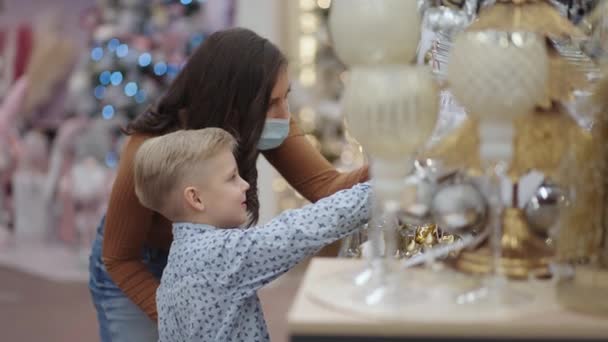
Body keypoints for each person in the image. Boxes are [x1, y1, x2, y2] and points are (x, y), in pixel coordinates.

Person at [88, 27, 369, 341]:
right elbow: (119, 257)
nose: (285, 114)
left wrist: (392, 165)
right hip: (136, 264)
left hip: (205, 261)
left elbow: (328, 188)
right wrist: (181, 316)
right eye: (273, 102)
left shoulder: (266, 118)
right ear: (231, 103)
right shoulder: (150, 147)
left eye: (285, 97)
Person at [133, 128, 370, 341]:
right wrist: (376, 191)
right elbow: (297, 232)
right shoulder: (219, 254)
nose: (245, 184)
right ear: (195, 198)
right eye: (231, 178)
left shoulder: (174, 266)